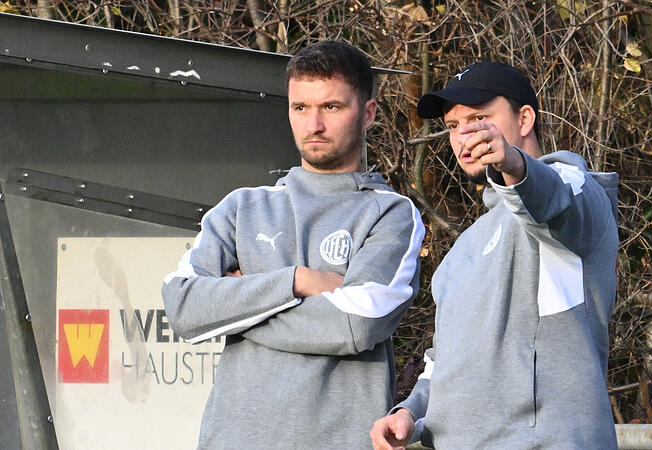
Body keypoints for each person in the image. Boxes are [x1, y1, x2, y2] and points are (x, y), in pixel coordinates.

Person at [162, 40, 424, 449]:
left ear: (368, 113)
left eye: (331, 107)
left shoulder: (391, 214)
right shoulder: (241, 207)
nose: (313, 124)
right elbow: (183, 308)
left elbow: (354, 325)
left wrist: (237, 302)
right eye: (300, 107)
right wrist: (296, 282)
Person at [370, 61, 619, 449]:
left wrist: (514, 165)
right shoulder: (465, 247)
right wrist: (409, 412)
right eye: (453, 126)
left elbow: (553, 200)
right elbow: (444, 359)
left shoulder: (575, 188)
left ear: (524, 119)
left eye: (480, 118)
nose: (464, 134)